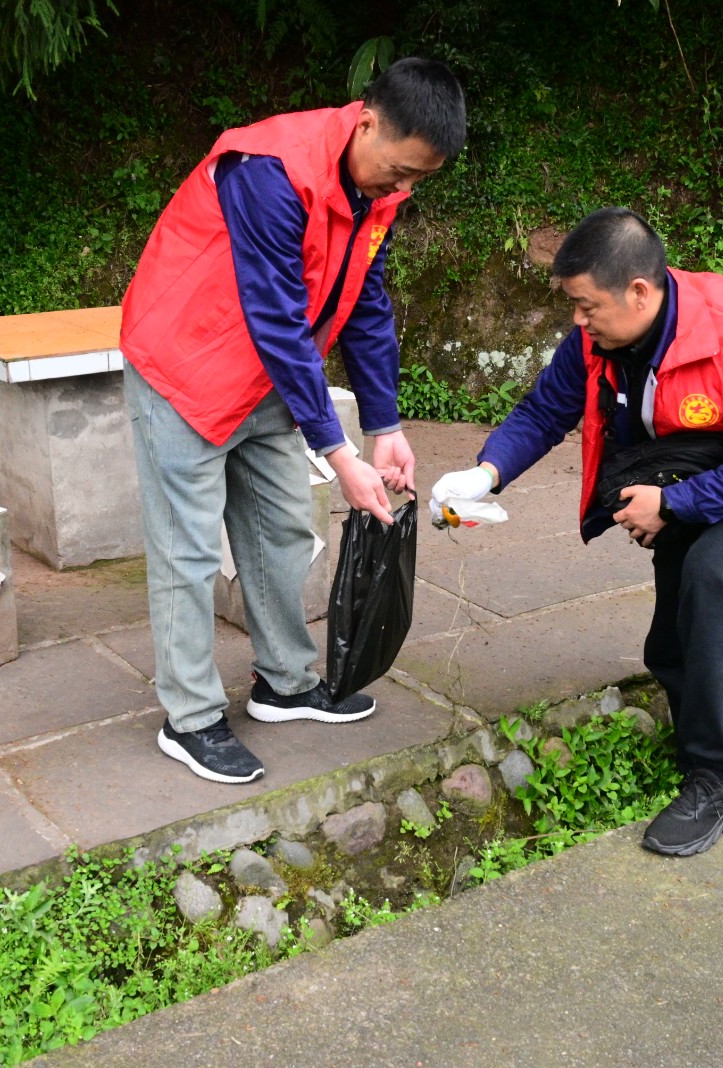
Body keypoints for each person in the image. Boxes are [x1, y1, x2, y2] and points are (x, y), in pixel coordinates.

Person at [430, 208, 723, 855]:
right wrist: (485, 474)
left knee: (709, 575)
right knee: (670, 642)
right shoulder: (599, 337)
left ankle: (717, 781)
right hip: (683, 477)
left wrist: (672, 504)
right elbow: (546, 409)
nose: (577, 322)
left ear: (639, 292)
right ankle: (702, 728)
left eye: (587, 306)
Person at [118, 59, 467, 784]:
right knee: (187, 551)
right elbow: (276, 317)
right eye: (399, 171)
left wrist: (385, 427)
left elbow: (365, 300)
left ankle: (283, 682)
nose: (401, 189)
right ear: (367, 122)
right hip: (187, 366)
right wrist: (338, 453)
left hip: (267, 379)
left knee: (280, 529)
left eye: (417, 180)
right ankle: (190, 717)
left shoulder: (376, 193)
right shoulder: (270, 170)